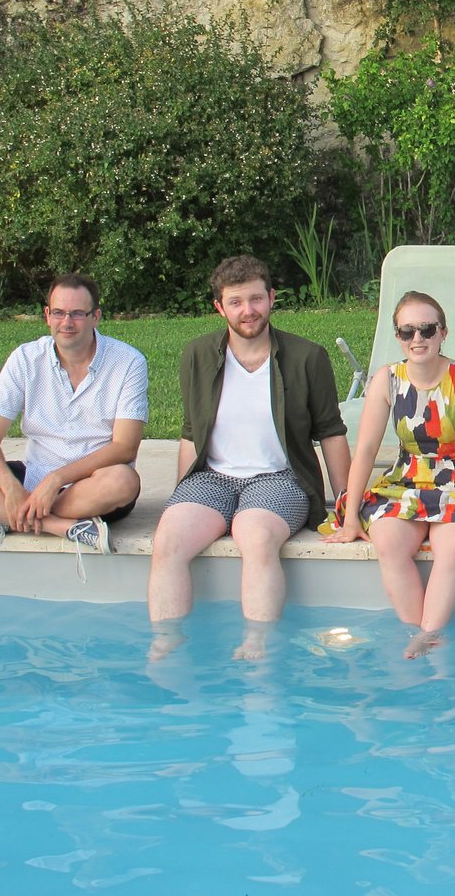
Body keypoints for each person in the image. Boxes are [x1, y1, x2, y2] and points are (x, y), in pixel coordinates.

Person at [147, 255, 350, 661]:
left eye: (256, 299)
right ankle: (167, 641)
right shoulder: (198, 355)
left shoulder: (307, 357)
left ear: (272, 299)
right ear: (219, 307)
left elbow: (330, 432)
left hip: (279, 478)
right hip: (212, 478)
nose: (248, 311)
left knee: (255, 536)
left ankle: (257, 643)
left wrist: (347, 504)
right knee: (169, 537)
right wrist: (180, 493)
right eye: (236, 302)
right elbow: (191, 431)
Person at [324, 290, 455, 658]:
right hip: (405, 481)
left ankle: (425, 637)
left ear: (443, 333)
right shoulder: (387, 379)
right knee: (388, 543)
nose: (417, 339)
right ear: (398, 336)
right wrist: (351, 516)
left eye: (427, 329)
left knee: (451, 549)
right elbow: (366, 449)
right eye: (407, 332)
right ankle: (420, 635)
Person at [0, 273, 147, 568]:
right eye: (58, 312)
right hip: (32, 475)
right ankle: (60, 526)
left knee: (123, 481)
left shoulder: (128, 361)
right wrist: (10, 488)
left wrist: (57, 479)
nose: (66, 322)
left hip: (91, 483)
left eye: (77, 314)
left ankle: (5, 519)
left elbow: (125, 448)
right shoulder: (25, 358)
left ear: (96, 316)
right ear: (47, 316)